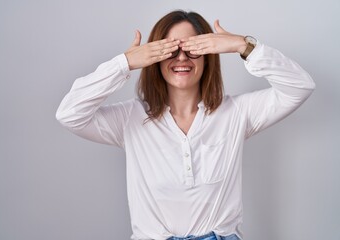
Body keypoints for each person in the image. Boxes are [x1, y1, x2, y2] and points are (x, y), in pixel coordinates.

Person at [56, 10, 315, 240]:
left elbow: (300, 86)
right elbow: (69, 113)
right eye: (170, 50)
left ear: (208, 55)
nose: (181, 58)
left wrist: (241, 45)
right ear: (154, 57)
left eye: (193, 49)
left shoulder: (237, 113)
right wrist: (124, 63)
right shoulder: (129, 118)